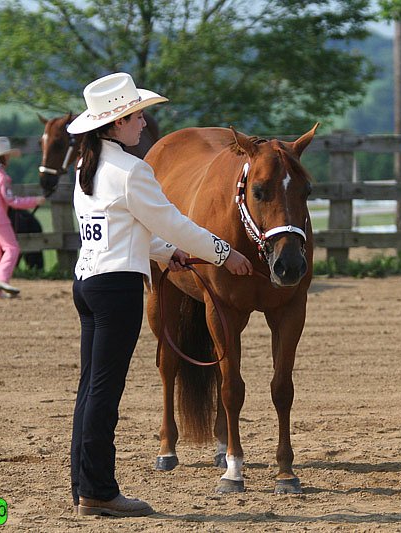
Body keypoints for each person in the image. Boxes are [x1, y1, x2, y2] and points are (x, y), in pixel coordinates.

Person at [66, 72, 253, 518]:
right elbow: (172, 222)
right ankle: (100, 492)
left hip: (88, 282)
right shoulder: (133, 171)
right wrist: (225, 253)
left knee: (89, 390)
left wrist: (167, 254)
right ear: (114, 124)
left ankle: (84, 485)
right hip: (116, 290)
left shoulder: (87, 168)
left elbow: (124, 226)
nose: (144, 122)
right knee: (104, 394)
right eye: (135, 115)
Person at [0, 137, 46, 299]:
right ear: (3, 157)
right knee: (12, 248)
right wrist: (34, 201)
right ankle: (1, 280)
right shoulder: (1, 177)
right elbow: (11, 200)